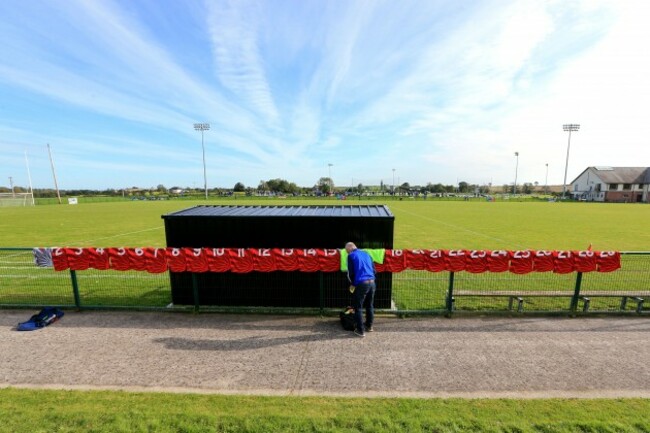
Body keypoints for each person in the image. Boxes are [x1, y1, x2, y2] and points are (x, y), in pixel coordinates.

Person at [345, 242, 376, 337]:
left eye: (347, 251)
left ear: (349, 249)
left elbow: (351, 273)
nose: (347, 253)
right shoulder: (367, 254)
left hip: (361, 283)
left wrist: (353, 284)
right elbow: (374, 270)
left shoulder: (351, 256)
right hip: (372, 282)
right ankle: (369, 326)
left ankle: (360, 330)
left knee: (357, 307)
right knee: (369, 305)